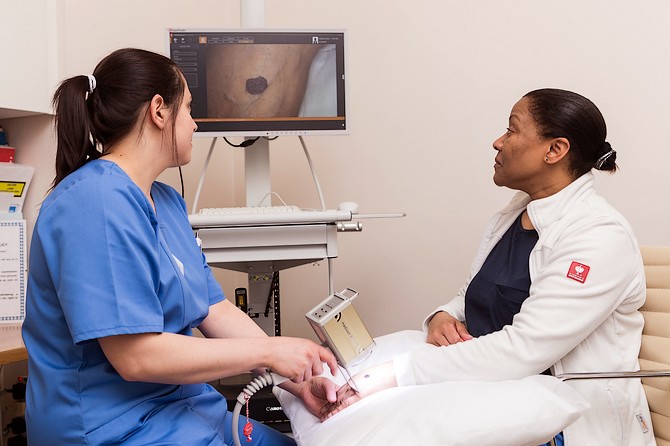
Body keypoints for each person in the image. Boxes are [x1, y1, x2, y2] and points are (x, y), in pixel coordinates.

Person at [21, 48, 340, 446]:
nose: (194, 123)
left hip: (183, 410)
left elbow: (214, 309)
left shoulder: (166, 202)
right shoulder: (94, 203)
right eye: (187, 108)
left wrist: (297, 381)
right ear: (159, 110)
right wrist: (271, 352)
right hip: (115, 427)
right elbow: (138, 357)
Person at [324, 89, 655, 446]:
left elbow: (524, 350)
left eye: (512, 130)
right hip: (490, 393)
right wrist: (441, 316)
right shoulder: (515, 214)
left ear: (555, 150)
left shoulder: (598, 234)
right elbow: (472, 295)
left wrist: (394, 375)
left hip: (564, 422)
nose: (497, 142)